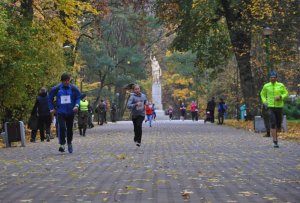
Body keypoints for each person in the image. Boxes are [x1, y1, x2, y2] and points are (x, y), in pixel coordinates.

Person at [48, 73, 81, 153]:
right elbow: (49, 98)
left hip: (70, 112)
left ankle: (69, 143)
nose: (67, 82)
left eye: (68, 80)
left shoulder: (73, 88)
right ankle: (62, 144)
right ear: (62, 81)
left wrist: (76, 105)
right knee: (62, 128)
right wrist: (52, 108)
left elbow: (78, 97)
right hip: (60, 112)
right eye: (65, 81)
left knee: (70, 129)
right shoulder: (57, 88)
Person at [260, 71, 288, 148]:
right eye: (271, 77)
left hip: (279, 107)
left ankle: (278, 129)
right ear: (269, 78)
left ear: (276, 78)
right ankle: (275, 141)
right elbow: (262, 94)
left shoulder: (281, 85)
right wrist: (264, 101)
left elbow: (286, 93)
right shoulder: (266, 86)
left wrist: (281, 97)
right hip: (270, 107)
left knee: (278, 125)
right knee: (272, 122)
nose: (272, 78)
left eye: (274, 77)